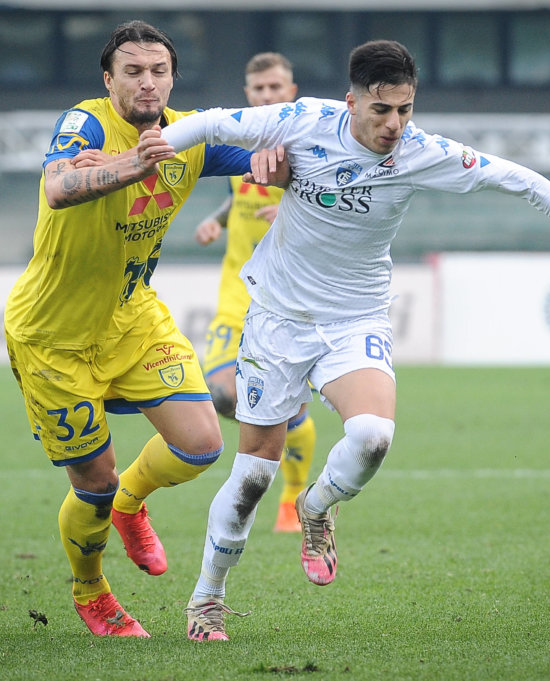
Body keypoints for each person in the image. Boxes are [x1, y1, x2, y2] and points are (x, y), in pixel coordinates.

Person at [160, 39, 550, 641]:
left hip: (355, 319)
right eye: (381, 110)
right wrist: (141, 155)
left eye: (405, 110)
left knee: (372, 436)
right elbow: (207, 124)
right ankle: (207, 598)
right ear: (352, 102)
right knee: (254, 475)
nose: (394, 124)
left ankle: (316, 507)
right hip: (278, 318)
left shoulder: (421, 153)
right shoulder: (304, 121)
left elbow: (517, 179)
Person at [3, 20, 286, 638]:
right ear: (109, 80)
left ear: (173, 79)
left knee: (201, 444)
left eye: (159, 71)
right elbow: (58, 186)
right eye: (133, 71)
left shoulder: (190, 136)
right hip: (52, 334)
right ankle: (92, 590)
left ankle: (134, 504)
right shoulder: (88, 123)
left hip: (132, 317)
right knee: (93, 482)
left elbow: (269, 163)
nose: (148, 82)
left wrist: (285, 166)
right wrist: (129, 165)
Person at [193, 52, 316, 534]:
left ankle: (293, 494)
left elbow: (339, 213)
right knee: (222, 395)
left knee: (292, 410)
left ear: (292, 92)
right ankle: (269, 464)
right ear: (248, 95)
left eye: (275, 88)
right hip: (236, 299)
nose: (266, 96)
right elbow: (240, 192)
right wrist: (218, 219)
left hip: (289, 303)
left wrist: (293, 213)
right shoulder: (242, 141)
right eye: (258, 90)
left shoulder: (310, 147)